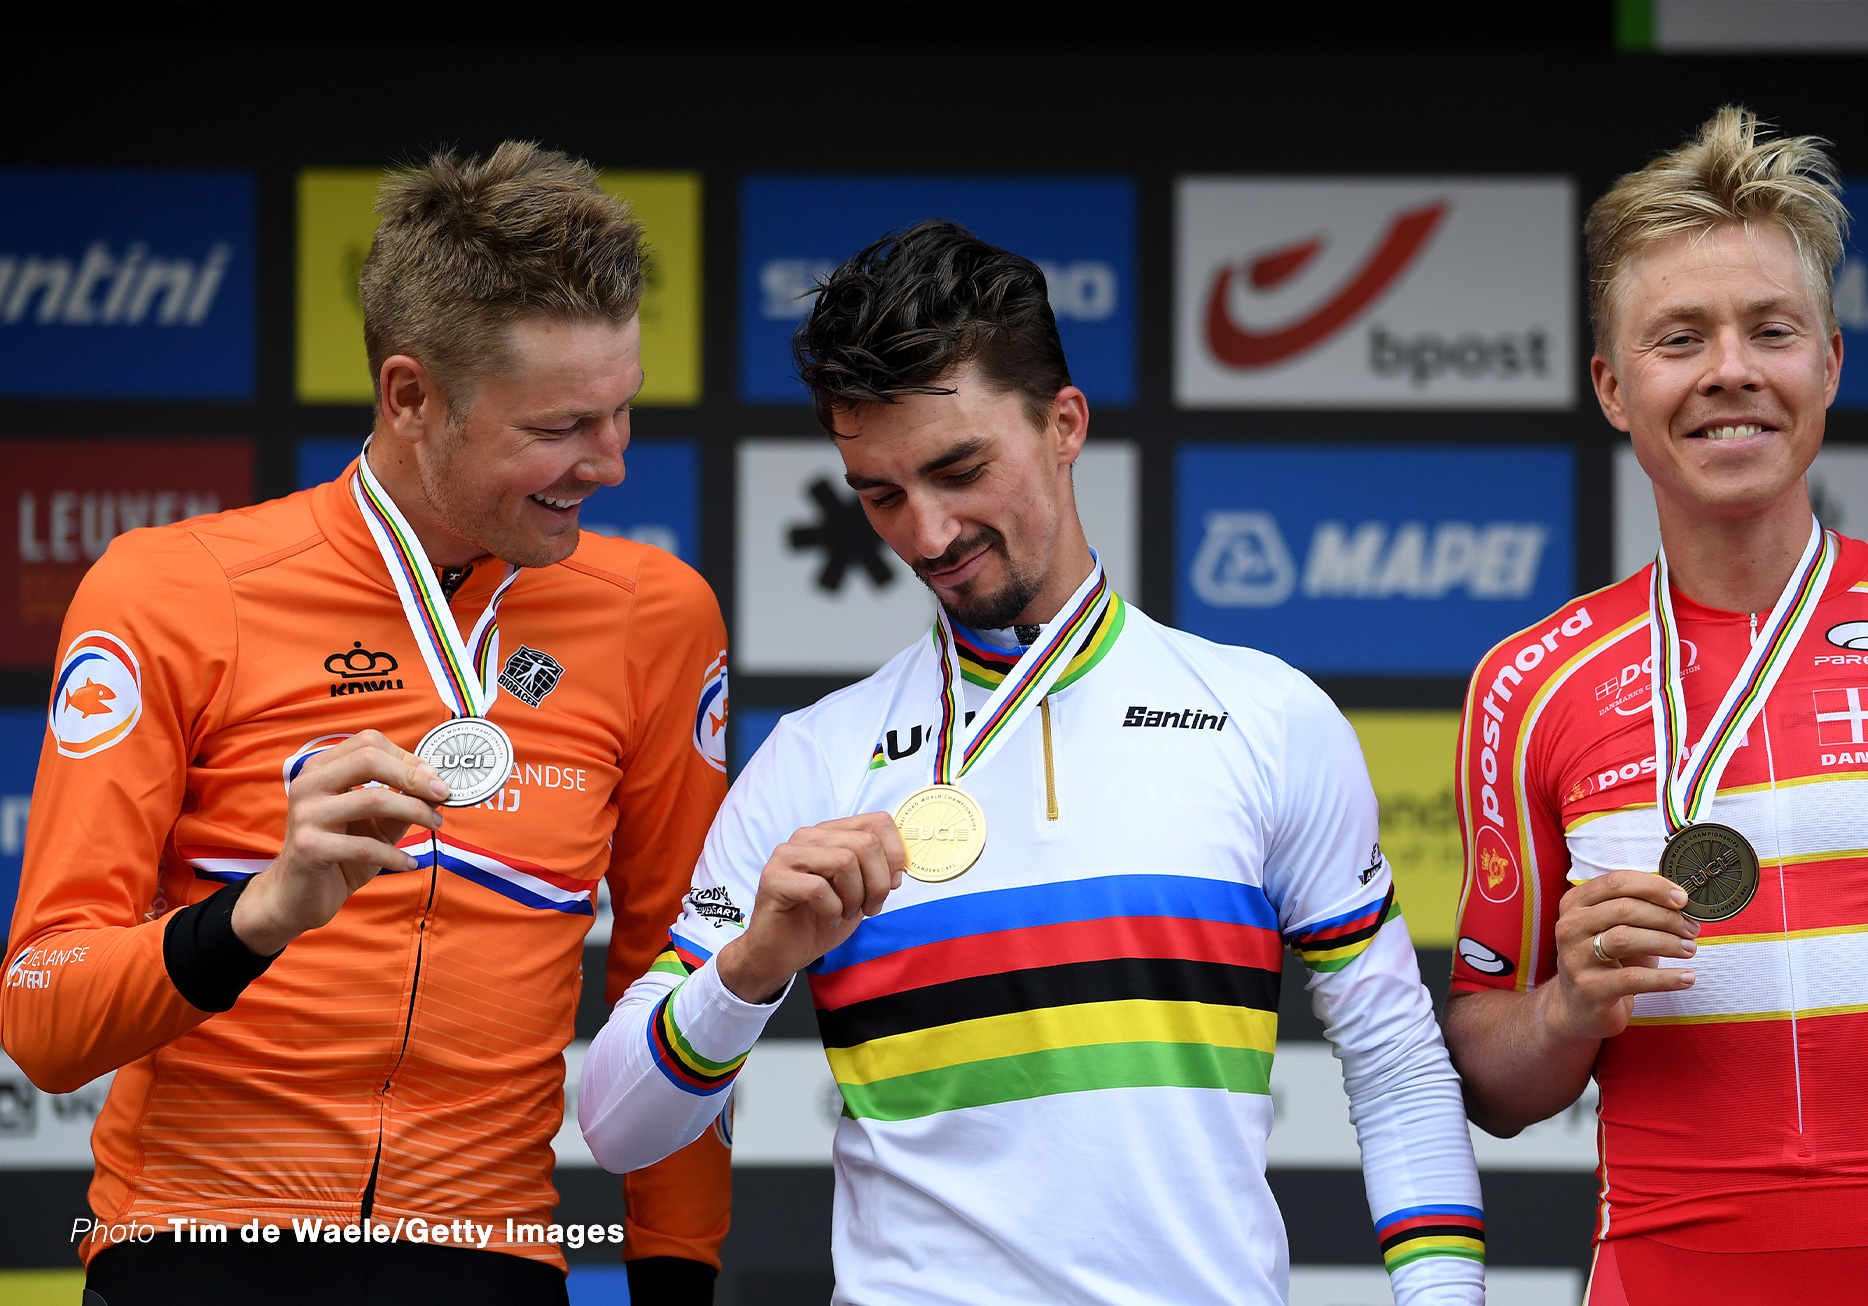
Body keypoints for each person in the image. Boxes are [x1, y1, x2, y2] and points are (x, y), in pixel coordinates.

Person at [578, 220, 1486, 1305]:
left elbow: (1395, 1065)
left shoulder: (1264, 716)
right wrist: (748, 972)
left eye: (960, 469)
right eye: (878, 494)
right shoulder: (816, 758)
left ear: (1064, 423)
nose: (927, 532)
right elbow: (621, 1125)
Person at [4, 144, 732, 1304]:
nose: (612, 461)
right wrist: (259, 913)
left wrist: (678, 1277)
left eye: (624, 408)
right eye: (559, 427)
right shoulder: (172, 589)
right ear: (410, 396)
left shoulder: (658, 616)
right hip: (200, 1249)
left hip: (490, 1257)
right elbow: (44, 1011)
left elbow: (673, 989)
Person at [1445, 107, 1868, 1304]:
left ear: (1828, 360)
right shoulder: (1531, 683)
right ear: (1613, 387)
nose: (1730, 369)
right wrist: (1569, 1006)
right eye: (1680, 338)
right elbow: (1491, 1078)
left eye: (1768, 330)